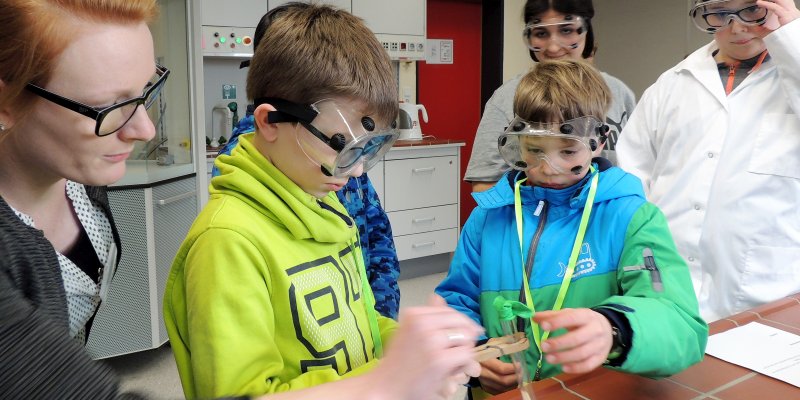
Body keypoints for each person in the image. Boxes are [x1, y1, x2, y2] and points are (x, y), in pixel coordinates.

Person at [163, 4, 482, 399]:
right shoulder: (226, 244)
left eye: (368, 150)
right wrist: (387, 381)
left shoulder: (324, 204)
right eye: (341, 146)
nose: (359, 173)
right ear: (268, 121)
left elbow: (361, 326)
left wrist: (413, 348)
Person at [436, 60, 707, 396]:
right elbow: (456, 300)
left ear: (597, 141)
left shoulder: (632, 217)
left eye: (567, 151)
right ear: (516, 141)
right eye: (534, 151)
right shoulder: (489, 218)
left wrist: (614, 329)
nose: (549, 168)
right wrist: (475, 356)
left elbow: (680, 324)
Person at [0, 0, 163, 397]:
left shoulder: (82, 182)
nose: (145, 130)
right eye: (110, 106)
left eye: (144, 92)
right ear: (5, 103)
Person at [212, 2, 401, 320]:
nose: (354, 170)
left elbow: (375, 227)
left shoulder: (340, 156)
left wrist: (382, 318)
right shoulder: (245, 175)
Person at [616, 0, 800, 322]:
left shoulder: (792, 71)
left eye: (751, 10)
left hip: (765, 292)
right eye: (719, 14)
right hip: (668, 287)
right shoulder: (671, 85)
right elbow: (632, 177)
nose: (737, 27)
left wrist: (792, 36)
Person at [465, 0, 636, 193]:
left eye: (566, 31)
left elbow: (638, 167)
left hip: (608, 217)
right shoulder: (507, 97)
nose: (553, 47)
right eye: (541, 33)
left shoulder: (619, 92)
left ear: (586, 30)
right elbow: (485, 184)